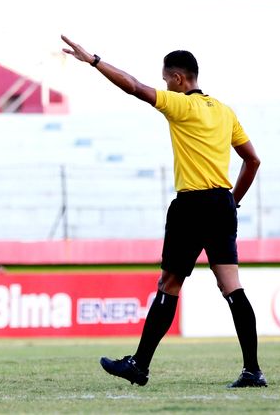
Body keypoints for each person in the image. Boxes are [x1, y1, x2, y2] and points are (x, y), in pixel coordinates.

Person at [61, 35, 264, 388]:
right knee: (232, 287)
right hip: (221, 204)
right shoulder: (224, 111)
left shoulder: (181, 105)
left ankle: (139, 365)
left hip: (192, 205)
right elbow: (252, 159)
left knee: (169, 284)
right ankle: (252, 370)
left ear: (179, 79)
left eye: (167, 79)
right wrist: (233, 200)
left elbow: (134, 87)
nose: (165, 84)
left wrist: (93, 61)